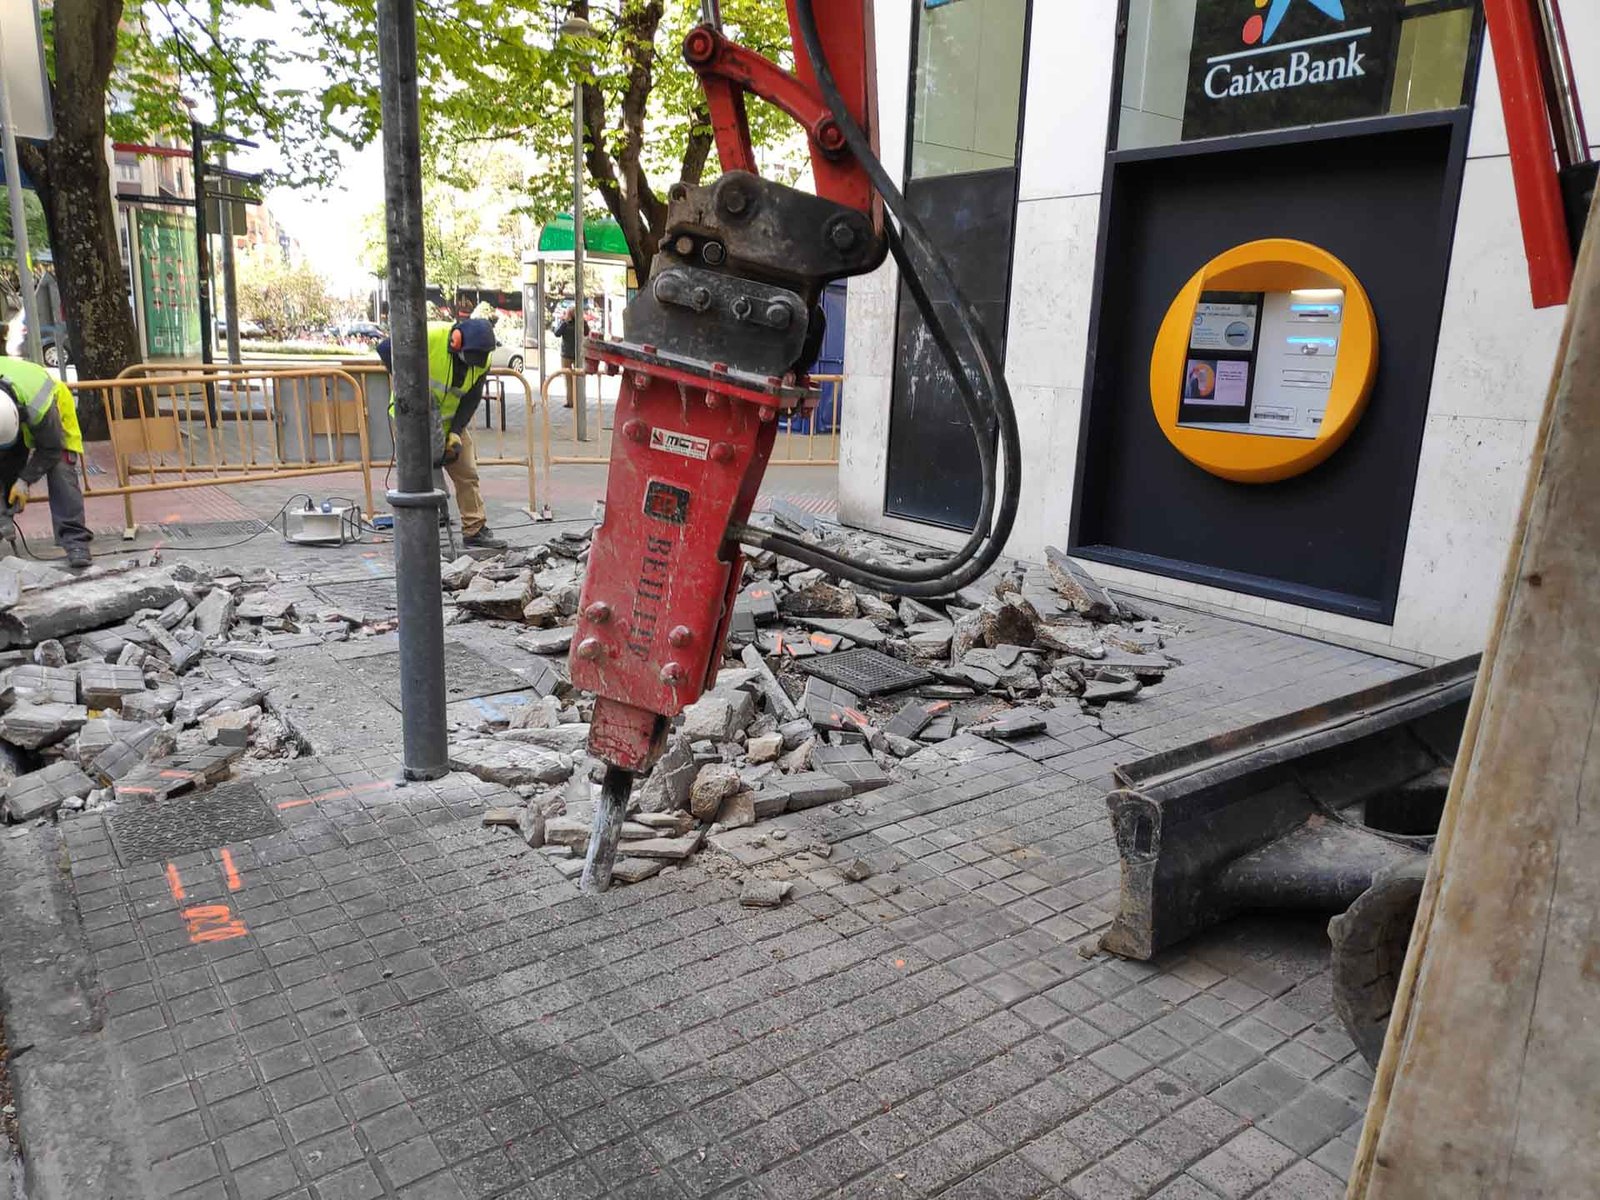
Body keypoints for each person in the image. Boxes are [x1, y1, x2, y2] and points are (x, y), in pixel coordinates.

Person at [376, 317, 508, 551]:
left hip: (449, 422)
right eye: (471, 358)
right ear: (456, 342)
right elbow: (385, 348)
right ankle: (422, 532)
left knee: (467, 473)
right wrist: (408, 385)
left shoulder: (482, 358)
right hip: (412, 422)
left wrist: (455, 433)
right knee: (420, 478)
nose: (473, 365)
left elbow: (471, 398)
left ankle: (474, 529)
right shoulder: (430, 336)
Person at [0, 345, 92, 568]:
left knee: (61, 469)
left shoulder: (38, 403)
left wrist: (24, 480)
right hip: (12, 419)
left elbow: (50, 449)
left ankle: (75, 541)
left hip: (54, 411)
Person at [553, 303, 578, 409]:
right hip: (577, 354)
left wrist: (563, 322)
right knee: (578, 379)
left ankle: (570, 401)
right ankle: (578, 400)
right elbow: (587, 332)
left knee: (568, 379)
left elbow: (557, 333)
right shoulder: (580, 323)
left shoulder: (565, 324)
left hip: (566, 354)